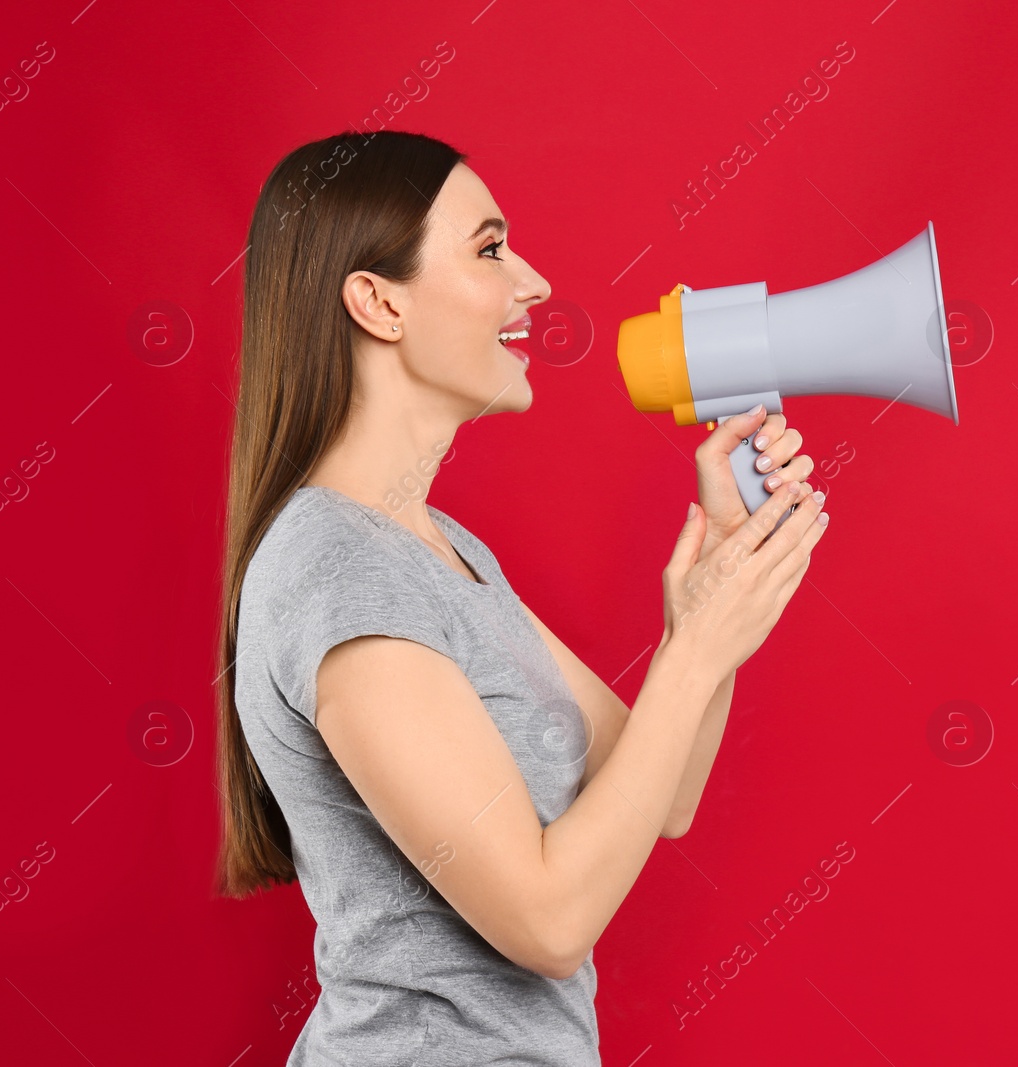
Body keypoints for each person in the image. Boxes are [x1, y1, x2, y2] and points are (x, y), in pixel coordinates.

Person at [213, 129, 829, 1065]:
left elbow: (662, 794)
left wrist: (710, 610)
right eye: (491, 249)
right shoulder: (338, 569)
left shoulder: (441, 549)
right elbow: (547, 921)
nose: (534, 284)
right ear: (378, 302)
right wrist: (697, 649)